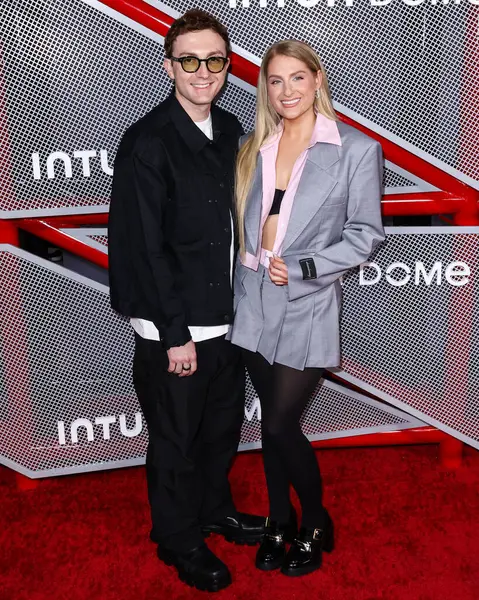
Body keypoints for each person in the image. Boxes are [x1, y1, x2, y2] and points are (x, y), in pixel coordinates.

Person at [108, 9, 264, 593]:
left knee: (220, 428)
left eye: (215, 60)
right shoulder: (148, 141)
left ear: (227, 66)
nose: (204, 71)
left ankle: (213, 510)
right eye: (191, 59)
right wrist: (174, 334)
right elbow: (144, 247)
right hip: (174, 327)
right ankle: (177, 537)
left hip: (228, 316)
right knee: (174, 440)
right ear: (170, 64)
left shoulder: (229, 131)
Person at [228, 39, 385, 577]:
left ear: (317, 80)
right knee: (274, 422)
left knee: (277, 425)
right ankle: (278, 520)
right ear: (265, 90)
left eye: (298, 78)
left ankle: (314, 520)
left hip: (307, 301)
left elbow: (365, 234)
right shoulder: (254, 145)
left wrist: (304, 268)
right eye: (275, 80)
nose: (286, 90)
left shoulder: (355, 149)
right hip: (250, 299)